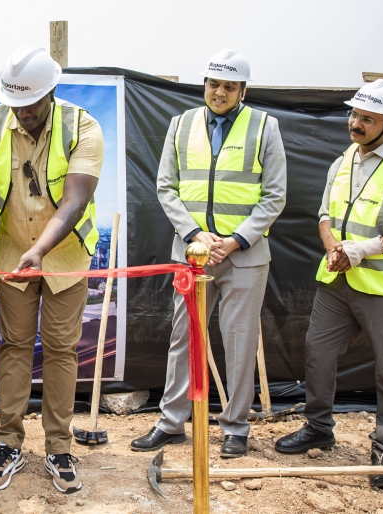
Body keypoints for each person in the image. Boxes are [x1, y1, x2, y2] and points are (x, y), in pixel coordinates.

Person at [0, 46, 104, 495]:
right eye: (16, 103)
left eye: (32, 104)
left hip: (65, 255)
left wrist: (40, 250)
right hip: (12, 252)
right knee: (14, 346)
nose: (24, 112)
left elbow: (76, 200)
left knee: (61, 349)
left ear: (51, 92)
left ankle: (58, 447)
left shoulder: (83, 127)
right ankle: (9, 443)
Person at [275, 79, 383, 489]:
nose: (356, 123)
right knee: (317, 352)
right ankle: (318, 427)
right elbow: (325, 214)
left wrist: (361, 250)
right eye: (354, 114)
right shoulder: (343, 160)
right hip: (338, 280)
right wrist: (332, 246)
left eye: (368, 118)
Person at [132, 49, 287, 459]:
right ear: (204, 84)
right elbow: (166, 188)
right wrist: (197, 234)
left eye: (229, 86)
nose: (219, 92)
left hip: (244, 256)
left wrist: (235, 240)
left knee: (239, 342)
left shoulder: (264, 127)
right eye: (213, 84)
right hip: (193, 254)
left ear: (242, 90)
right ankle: (171, 423)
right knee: (184, 338)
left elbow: (275, 196)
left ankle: (235, 428)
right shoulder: (180, 125)